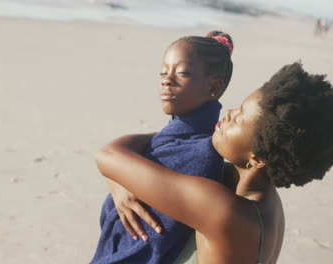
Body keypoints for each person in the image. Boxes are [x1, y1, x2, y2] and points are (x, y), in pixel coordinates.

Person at [95, 62, 333, 263]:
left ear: (257, 159)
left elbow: (108, 156)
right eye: (237, 107)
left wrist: (120, 183)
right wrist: (121, 185)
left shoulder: (220, 208)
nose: (228, 113)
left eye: (238, 118)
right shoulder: (266, 202)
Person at [91, 31, 234, 264]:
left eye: (182, 73)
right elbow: (113, 161)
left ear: (214, 86)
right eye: (163, 72)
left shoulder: (198, 155)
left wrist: (116, 175)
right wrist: (118, 181)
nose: (167, 79)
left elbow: (106, 156)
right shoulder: (175, 137)